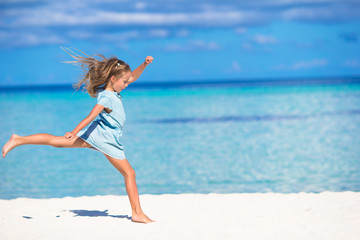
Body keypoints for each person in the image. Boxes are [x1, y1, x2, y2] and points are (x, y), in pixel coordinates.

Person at [2, 47, 154, 224]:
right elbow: (90, 116)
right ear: (113, 79)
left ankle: (19, 139)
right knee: (130, 173)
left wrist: (144, 64)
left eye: (128, 81)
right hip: (105, 139)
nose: (128, 84)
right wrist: (74, 132)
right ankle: (137, 213)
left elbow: (133, 76)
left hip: (99, 134)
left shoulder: (113, 91)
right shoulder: (107, 97)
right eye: (125, 82)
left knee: (57, 142)